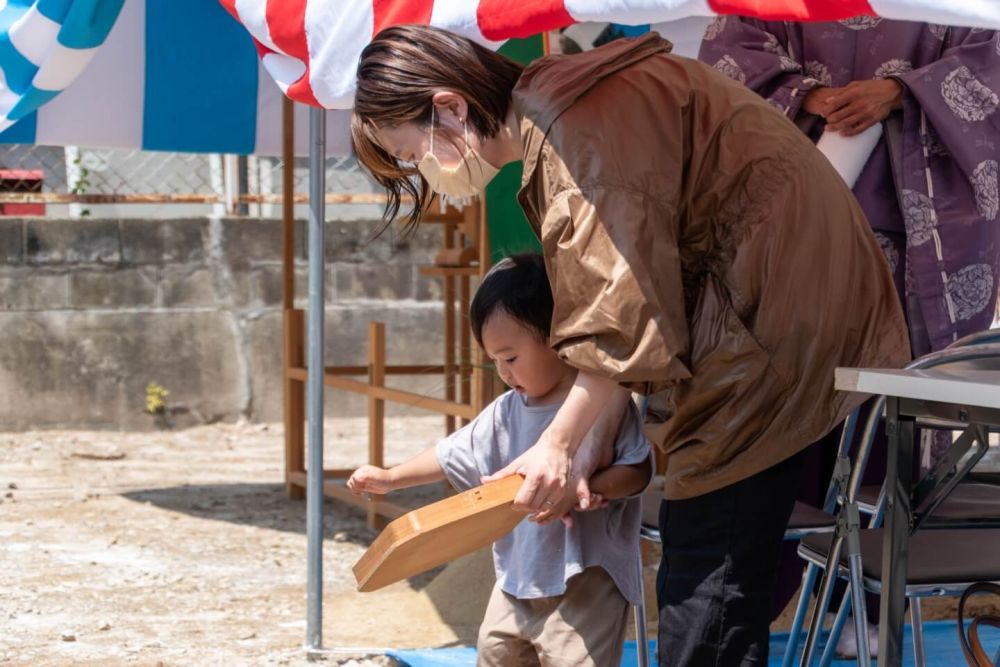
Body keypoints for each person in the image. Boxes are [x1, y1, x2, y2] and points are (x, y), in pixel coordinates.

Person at [350, 25, 910, 665]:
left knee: (707, 584)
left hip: (769, 326)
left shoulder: (574, 126)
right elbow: (628, 313)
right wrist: (581, 443)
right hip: (767, 314)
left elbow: (623, 309)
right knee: (702, 568)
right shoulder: (561, 109)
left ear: (450, 107)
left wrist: (559, 446)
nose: (430, 169)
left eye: (417, 149)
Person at [699, 18, 1000, 656]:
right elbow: (730, 51)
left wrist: (900, 93)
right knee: (789, 406)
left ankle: (865, 601)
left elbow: (991, 53)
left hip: (915, 237)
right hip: (797, 228)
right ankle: (759, 593)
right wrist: (805, 93)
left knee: (890, 419)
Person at [348, 253, 653, 667]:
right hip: (514, 580)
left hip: (586, 580)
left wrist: (588, 488)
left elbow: (638, 471)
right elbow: (448, 453)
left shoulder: (600, 404)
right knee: (493, 657)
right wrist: (391, 477)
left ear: (559, 340)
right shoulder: (506, 412)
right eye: (494, 361)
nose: (504, 372)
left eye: (511, 357)